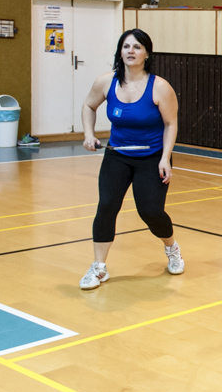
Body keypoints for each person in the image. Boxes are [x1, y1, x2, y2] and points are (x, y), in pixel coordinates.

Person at [78, 29, 183, 290]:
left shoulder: (160, 87)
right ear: (120, 52)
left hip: (152, 158)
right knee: (107, 206)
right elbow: (89, 106)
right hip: (117, 155)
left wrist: (165, 158)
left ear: (147, 53)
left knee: (151, 212)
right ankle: (99, 267)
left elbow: (171, 124)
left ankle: (172, 248)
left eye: (137, 47)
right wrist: (89, 134)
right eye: (126, 46)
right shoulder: (106, 82)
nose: (130, 51)